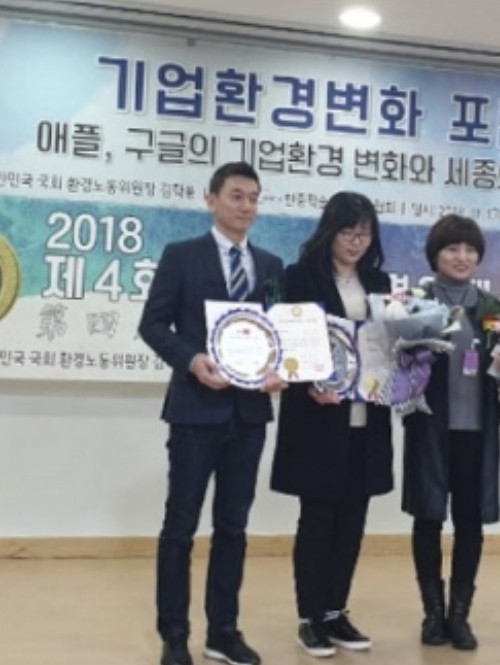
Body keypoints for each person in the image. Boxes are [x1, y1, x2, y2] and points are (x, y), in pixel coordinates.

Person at [139, 162, 286, 665]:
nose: (246, 207)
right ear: (212, 200)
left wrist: (281, 369)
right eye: (237, 196)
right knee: (180, 526)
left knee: (234, 527)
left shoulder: (271, 266)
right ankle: (174, 634)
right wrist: (191, 360)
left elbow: (279, 331)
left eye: (253, 198)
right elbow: (152, 324)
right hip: (194, 411)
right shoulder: (182, 256)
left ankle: (223, 630)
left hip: (248, 415)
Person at [270, 192, 394, 658]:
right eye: (348, 232)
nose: (356, 242)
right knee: (319, 517)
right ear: (329, 231)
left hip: (367, 417)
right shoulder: (301, 277)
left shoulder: (378, 282)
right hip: (318, 417)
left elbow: (387, 345)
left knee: (354, 518)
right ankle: (310, 617)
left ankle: (335, 611)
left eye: (364, 233)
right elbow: (288, 343)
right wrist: (310, 383)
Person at [401, 214, 500, 651]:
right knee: (428, 517)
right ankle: (432, 614)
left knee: (469, 521)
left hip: (476, 430)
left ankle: (459, 615)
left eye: (470, 250)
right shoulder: (416, 303)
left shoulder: (492, 307)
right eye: (452, 249)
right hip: (430, 425)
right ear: (435, 255)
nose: (462, 257)